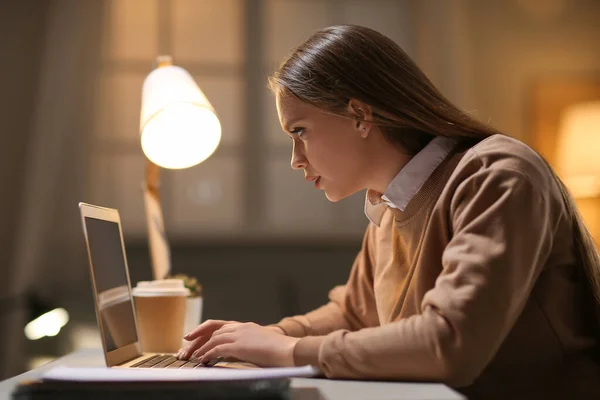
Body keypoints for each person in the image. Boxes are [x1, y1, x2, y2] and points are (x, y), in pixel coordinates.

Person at [177, 25, 600, 399]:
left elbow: (450, 341)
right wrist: (271, 334)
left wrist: (287, 351)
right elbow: (353, 314)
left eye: (300, 132)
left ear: (360, 114)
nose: (295, 159)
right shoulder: (389, 206)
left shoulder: (496, 175)